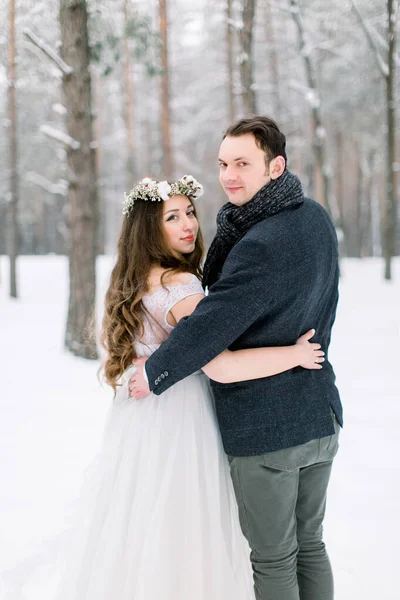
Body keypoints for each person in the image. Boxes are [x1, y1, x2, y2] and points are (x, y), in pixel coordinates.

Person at [52, 173, 325, 600]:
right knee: (187, 531)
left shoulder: (136, 278)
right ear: (149, 229)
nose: (189, 224)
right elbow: (223, 368)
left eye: (191, 212)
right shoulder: (181, 288)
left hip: (141, 425)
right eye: (172, 217)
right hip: (182, 422)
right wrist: (294, 355)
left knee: (143, 528)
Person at [130, 117, 343, 600]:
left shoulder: (261, 243)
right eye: (224, 163)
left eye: (243, 164)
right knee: (310, 545)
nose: (229, 175)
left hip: (268, 430)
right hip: (319, 415)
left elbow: (211, 324)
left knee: (274, 560)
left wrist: (156, 371)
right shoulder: (313, 217)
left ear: (276, 167)